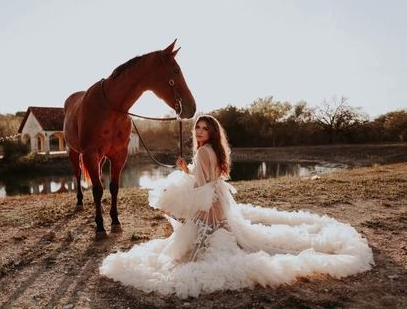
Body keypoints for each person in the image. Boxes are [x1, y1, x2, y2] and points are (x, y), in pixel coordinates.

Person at [100, 115, 373, 298]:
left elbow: (201, 182)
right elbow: (208, 177)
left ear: (212, 132)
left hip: (209, 198)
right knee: (220, 231)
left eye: (204, 128)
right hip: (217, 197)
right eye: (197, 128)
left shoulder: (202, 151)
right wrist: (189, 169)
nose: (199, 131)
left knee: (208, 234)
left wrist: (185, 174)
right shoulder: (214, 151)